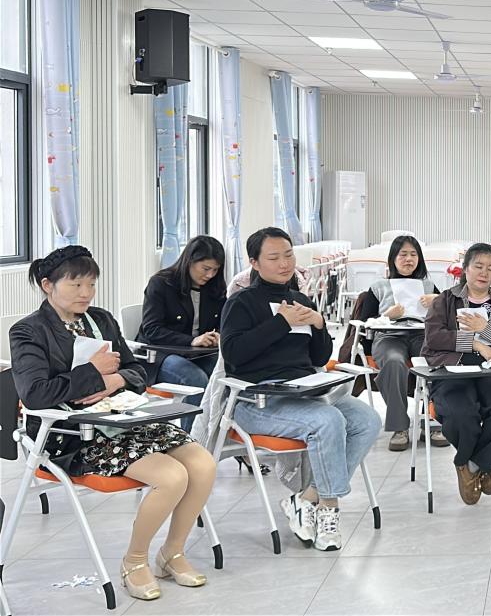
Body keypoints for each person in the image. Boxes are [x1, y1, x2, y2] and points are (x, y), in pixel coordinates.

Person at [9, 246, 216, 601]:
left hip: (122, 419)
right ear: (47, 285)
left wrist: (115, 380)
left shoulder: (101, 320)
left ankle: (172, 553)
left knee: (203, 464)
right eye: (76, 285)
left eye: (91, 284)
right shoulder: (28, 331)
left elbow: (138, 370)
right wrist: (94, 373)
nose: (86, 293)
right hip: (71, 433)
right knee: (171, 477)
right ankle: (134, 561)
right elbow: (36, 394)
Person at [220, 227, 381, 552]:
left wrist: (319, 324)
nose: (284, 263)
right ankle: (329, 509)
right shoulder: (241, 302)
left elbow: (318, 358)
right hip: (258, 401)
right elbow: (234, 355)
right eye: (273, 258)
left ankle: (307, 498)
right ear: (254, 262)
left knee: (367, 420)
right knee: (327, 421)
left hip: (304, 394)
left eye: (288, 255)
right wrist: (280, 322)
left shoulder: (301, 300)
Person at [422, 242, 491, 506]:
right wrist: (474, 343)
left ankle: (473, 464)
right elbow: (433, 338)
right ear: (466, 269)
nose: (484, 272)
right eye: (478, 266)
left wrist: (489, 328)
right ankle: (484, 464)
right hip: (453, 369)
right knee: (460, 413)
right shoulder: (445, 301)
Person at [364, 235, 443, 452]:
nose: (409, 259)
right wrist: (386, 316)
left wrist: (438, 301)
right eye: (403, 254)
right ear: (393, 258)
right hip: (388, 336)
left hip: (422, 336)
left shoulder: (428, 285)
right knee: (394, 362)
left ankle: (433, 421)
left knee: (435, 360)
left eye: (413, 254)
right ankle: (399, 427)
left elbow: (447, 317)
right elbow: (364, 323)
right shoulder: (378, 287)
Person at [138, 235, 226, 431]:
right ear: (190, 261)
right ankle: (192, 439)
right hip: (159, 354)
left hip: (199, 353)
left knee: (225, 371)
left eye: (215, 270)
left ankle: (217, 435)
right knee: (195, 379)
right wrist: (192, 340)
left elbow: (223, 321)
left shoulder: (214, 288)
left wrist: (218, 335)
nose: (210, 275)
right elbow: (152, 329)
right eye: (205, 268)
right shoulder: (161, 283)